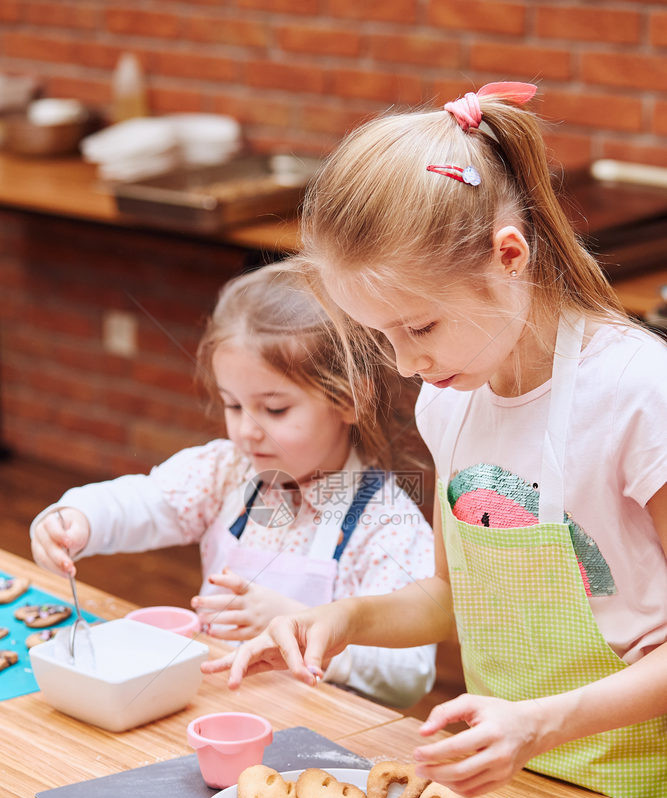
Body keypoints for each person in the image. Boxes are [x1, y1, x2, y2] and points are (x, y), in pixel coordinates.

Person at [218, 82, 667, 798]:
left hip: (639, 796)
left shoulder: (635, 392)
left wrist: (539, 724)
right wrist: (344, 620)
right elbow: (448, 596)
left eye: (419, 328)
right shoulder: (451, 399)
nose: (401, 365)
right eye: (379, 336)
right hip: (511, 781)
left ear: (508, 256)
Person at [30, 260, 437, 708]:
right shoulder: (226, 472)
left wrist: (301, 625)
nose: (247, 431)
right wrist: (76, 518)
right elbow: (143, 503)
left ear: (349, 400)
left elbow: (409, 675)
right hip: (211, 707)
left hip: (318, 732)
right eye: (233, 405)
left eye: (275, 409)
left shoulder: (385, 525)